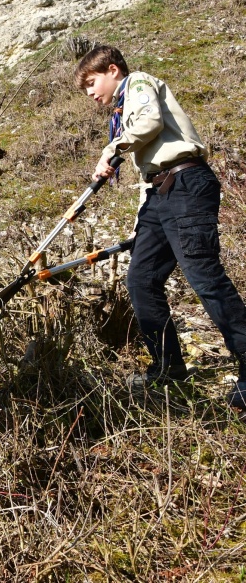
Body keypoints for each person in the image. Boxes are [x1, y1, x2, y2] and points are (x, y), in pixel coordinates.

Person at [76, 44, 246, 415]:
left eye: (92, 82)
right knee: (141, 279)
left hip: (185, 184)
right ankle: (167, 367)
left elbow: (150, 123)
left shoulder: (137, 83)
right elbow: (149, 163)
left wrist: (112, 150)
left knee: (203, 276)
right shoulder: (122, 108)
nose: (90, 92)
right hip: (160, 192)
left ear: (113, 70)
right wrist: (144, 219)